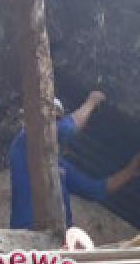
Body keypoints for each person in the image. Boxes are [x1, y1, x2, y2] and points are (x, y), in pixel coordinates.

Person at [8, 91, 140, 250]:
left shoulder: (58, 165)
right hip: (27, 235)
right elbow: (66, 130)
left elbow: (94, 190)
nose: (54, 126)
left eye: (57, 120)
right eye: (52, 120)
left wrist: (131, 170)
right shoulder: (25, 141)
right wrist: (91, 102)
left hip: (58, 239)